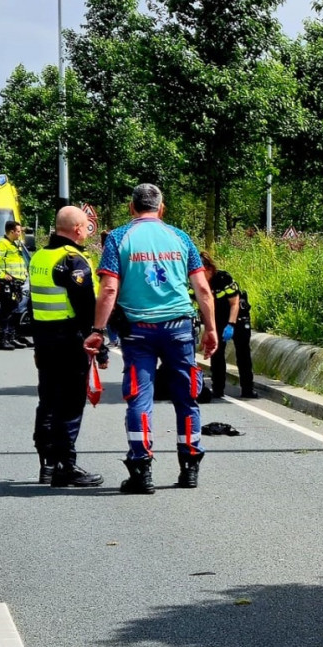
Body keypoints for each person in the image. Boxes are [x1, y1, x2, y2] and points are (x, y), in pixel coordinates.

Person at [84, 184, 218, 493]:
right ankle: (189, 468)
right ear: (161, 208)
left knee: (140, 399)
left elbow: (108, 289)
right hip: (179, 328)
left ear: (131, 208)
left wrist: (98, 330)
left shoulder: (118, 239)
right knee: (187, 398)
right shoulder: (180, 238)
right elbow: (202, 289)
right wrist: (210, 329)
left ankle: (141, 470)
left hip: (138, 331)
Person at [28, 206, 104, 488]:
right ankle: (65, 467)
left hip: (44, 339)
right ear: (76, 229)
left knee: (47, 401)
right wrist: (100, 344)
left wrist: (36, 345)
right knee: (70, 404)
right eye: (86, 226)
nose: (87, 230)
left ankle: (47, 463)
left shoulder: (40, 257)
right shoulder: (73, 261)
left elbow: (34, 305)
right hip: (70, 340)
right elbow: (86, 308)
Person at [201, 251, 256, 399]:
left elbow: (234, 303)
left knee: (243, 354)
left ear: (209, 268)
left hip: (236, 318)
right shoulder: (197, 282)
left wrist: (230, 325)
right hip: (217, 319)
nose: (200, 277)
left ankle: (247, 389)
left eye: (202, 272)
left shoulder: (223, 278)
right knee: (216, 354)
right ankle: (218, 389)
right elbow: (197, 302)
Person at [0, 220, 31, 350]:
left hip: (17, 283)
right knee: (7, 312)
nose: (19, 234)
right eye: (17, 232)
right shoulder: (3, 244)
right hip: (8, 283)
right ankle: (4, 339)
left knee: (15, 311)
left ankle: (12, 337)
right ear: (11, 232)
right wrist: (1, 274)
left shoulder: (16, 244)